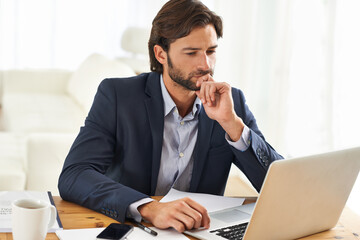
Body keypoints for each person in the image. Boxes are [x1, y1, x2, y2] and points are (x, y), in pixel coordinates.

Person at [58, 0, 283, 233]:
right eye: (192, 52)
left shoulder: (231, 102)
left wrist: (232, 124)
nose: (205, 64)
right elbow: (74, 175)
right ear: (161, 54)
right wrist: (149, 208)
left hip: (199, 232)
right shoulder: (118, 97)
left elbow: (282, 187)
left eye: (211, 51)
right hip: (134, 229)